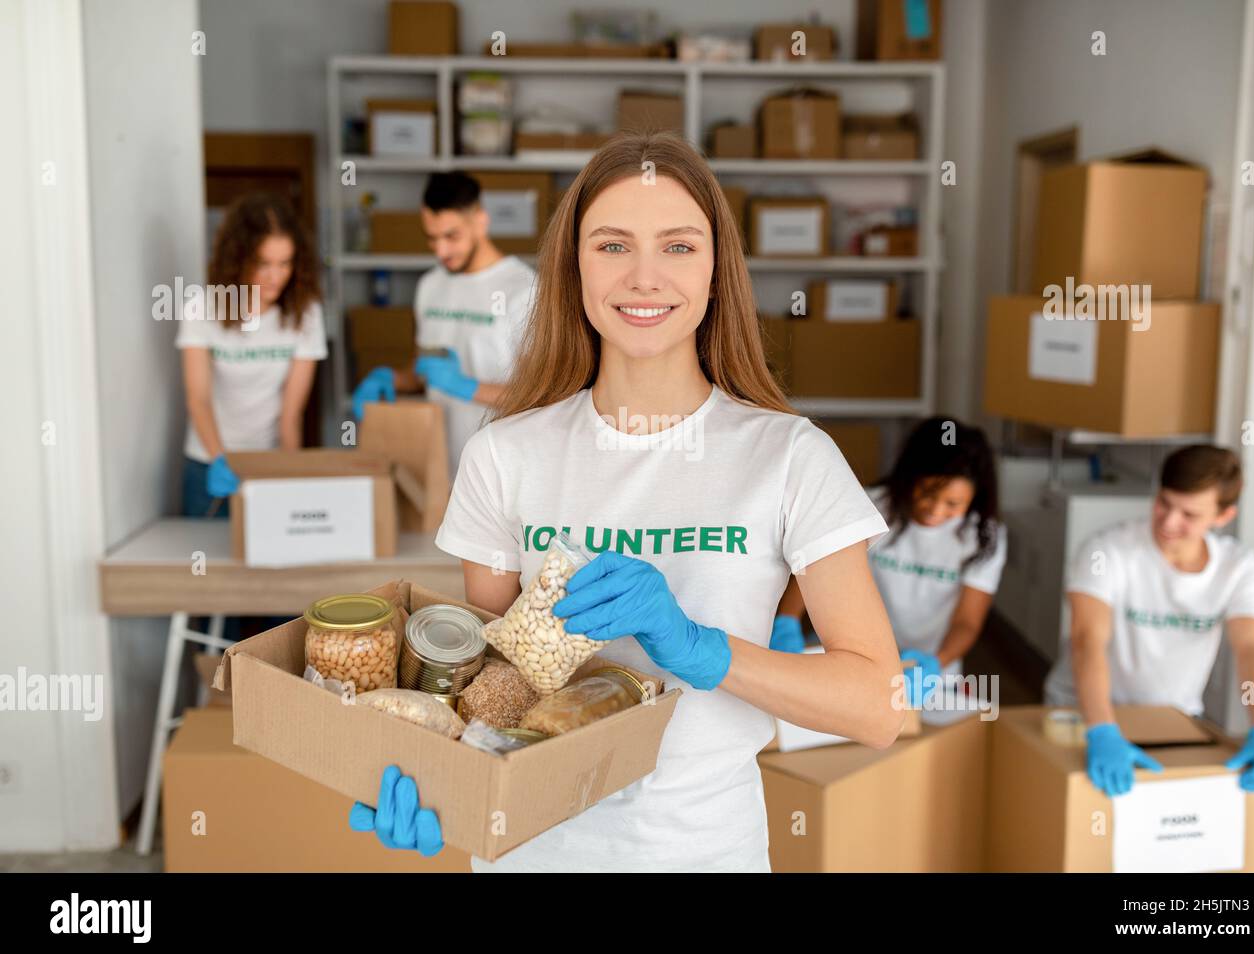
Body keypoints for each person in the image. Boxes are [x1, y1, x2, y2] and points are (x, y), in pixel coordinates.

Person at [347, 130, 905, 871]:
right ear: (573, 267)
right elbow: (487, 691)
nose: (645, 277)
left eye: (678, 246)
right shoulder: (502, 455)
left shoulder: (790, 457)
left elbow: (878, 704)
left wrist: (701, 648)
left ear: (716, 272)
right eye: (612, 245)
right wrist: (434, 786)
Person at [1045, 445, 1254, 796]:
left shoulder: (1239, 568)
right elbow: (1087, 640)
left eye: (1189, 514)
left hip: (1174, 722)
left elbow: (1251, 649)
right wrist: (1101, 729)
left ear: (1223, 516)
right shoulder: (1107, 550)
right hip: (1081, 718)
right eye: (1164, 503)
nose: (1169, 521)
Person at [771, 417, 1006, 710]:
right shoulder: (867, 506)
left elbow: (967, 622)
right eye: (927, 494)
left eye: (953, 504)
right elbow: (818, 566)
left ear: (974, 498)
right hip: (857, 656)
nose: (935, 510)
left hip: (929, 670)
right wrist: (787, 619)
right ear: (909, 477)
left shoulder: (984, 538)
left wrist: (935, 664)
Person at [352, 171, 536, 479]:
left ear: (480, 221)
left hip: (501, 473)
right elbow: (426, 373)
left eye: (451, 236)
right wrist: (395, 380)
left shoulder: (525, 290)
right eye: (432, 237)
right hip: (438, 468)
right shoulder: (430, 286)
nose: (441, 251)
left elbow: (540, 396)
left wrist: (468, 387)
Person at [176, 193, 325, 517]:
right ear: (238, 259)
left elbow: (291, 414)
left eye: (285, 263)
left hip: (268, 462)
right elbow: (198, 399)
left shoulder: (307, 314)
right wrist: (219, 459)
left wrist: (290, 473)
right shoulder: (202, 308)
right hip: (208, 464)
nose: (276, 277)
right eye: (264, 264)